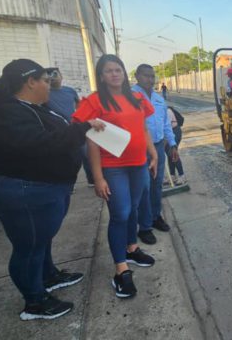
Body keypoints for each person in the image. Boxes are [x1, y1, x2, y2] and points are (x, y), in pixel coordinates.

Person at [0, 59, 105, 320]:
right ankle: (34, 302)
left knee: (40, 240)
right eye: (45, 80)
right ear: (30, 81)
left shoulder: (28, 107)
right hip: (21, 191)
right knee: (28, 247)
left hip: (41, 189)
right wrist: (84, 127)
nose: (49, 85)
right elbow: (41, 143)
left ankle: (48, 275)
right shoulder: (6, 112)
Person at [73, 54, 157, 299]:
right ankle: (121, 269)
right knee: (120, 212)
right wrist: (98, 177)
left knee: (134, 208)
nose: (114, 74)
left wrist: (153, 154)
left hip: (138, 164)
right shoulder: (94, 101)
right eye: (108, 70)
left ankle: (131, 247)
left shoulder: (137, 98)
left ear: (124, 72)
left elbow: (142, 128)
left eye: (118, 69)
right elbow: (91, 142)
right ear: (101, 75)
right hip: (113, 167)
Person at [132, 64, 178, 245]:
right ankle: (144, 227)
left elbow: (166, 124)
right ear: (137, 76)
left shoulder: (159, 99)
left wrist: (172, 144)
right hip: (138, 148)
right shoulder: (130, 97)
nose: (150, 79)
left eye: (152, 76)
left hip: (158, 146)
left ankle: (155, 217)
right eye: (145, 76)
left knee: (156, 184)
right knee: (143, 186)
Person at [45, 67, 94, 187]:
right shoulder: (45, 92)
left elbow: (79, 105)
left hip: (76, 127)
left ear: (61, 76)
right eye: (50, 75)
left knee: (86, 155)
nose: (54, 77)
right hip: (59, 130)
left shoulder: (70, 91)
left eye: (56, 74)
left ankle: (92, 180)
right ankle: (69, 184)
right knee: (69, 158)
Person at [166, 106, 185, 185]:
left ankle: (182, 176)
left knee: (173, 153)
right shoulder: (164, 109)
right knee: (169, 154)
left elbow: (167, 126)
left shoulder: (166, 111)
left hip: (174, 132)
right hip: (170, 132)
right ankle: (172, 175)